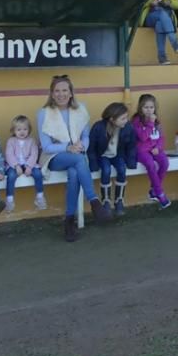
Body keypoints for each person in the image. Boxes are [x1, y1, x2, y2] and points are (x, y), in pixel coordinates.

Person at [37, 75, 112, 241]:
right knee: (78, 160)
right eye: (56, 91)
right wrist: (68, 147)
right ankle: (94, 202)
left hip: (76, 154)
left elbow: (86, 136)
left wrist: (81, 146)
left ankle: (69, 222)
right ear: (51, 93)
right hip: (53, 157)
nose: (61, 94)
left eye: (64, 90)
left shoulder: (80, 109)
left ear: (71, 93)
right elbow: (46, 146)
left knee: (74, 173)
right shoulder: (44, 113)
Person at [87, 102, 137, 216]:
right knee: (106, 170)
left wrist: (131, 161)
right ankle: (106, 201)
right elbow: (91, 147)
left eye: (126, 117)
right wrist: (93, 163)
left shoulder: (128, 127)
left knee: (121, 170)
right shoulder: (99, 127)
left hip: (118, 155)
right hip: (103, 155)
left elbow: (131, 146)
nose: (126, 120)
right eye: (123, 118)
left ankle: (119, 200)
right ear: (112, 119)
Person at [131, 94, 172, 209]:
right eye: (146, 107)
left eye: (151, 107)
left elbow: (161, 137)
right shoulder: (136, 121)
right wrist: (150, 123)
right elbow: (143, 137)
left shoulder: (156, 121)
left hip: (154, 149)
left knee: (164, 162)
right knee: (150, 164)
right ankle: (159, 193)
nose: (149, 110)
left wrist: (158, 148)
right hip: (141, 151)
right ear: (140, 108)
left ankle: (153, 190)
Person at [3, 115, 46, 212]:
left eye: (25, 129)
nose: (22, 132)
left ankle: (40, 197)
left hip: (29, 164)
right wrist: (16, 165)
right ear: (13, 130)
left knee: (38, 174)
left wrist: (29, 166)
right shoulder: (11, 141)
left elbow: (34, 154)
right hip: (14, 165)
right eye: (19, 129)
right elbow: (9, 154)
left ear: (29, 130)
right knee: (11, 176)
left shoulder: (31, 141)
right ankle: (9, 200)